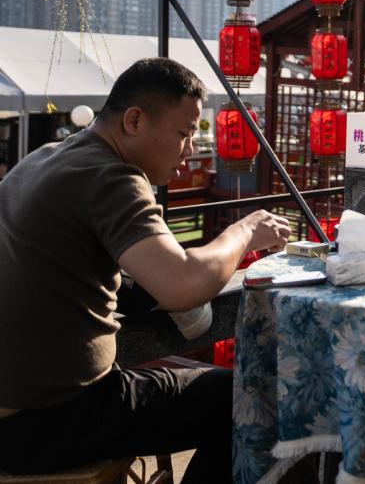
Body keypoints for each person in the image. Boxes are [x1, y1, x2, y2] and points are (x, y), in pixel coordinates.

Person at [0, 58, 290, 482]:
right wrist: (245, 231)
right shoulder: (111, 176)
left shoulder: (42, 159)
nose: (189, 149)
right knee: (252, 397)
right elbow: (183, 284)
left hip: (24, 407)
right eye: (184, 133)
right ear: (134, 120)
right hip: (49, 418)